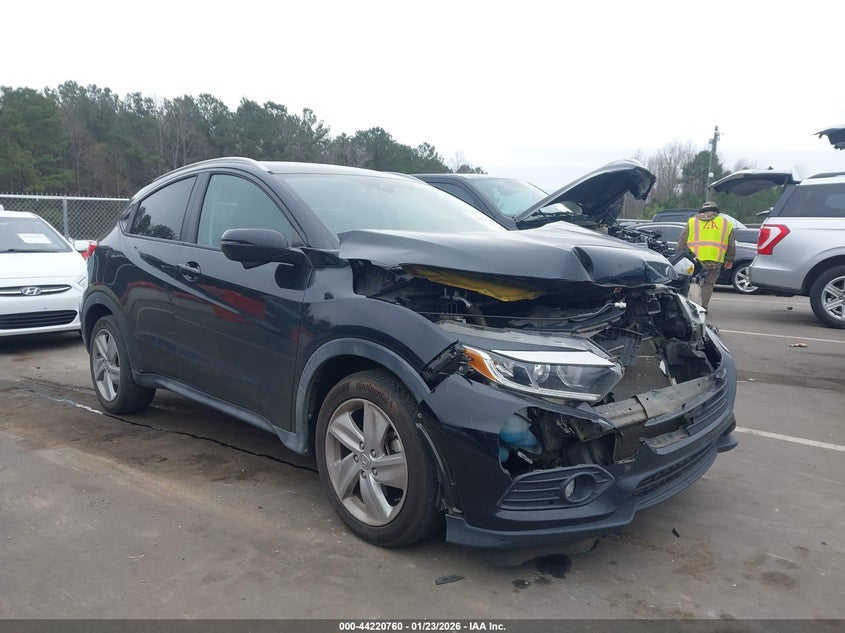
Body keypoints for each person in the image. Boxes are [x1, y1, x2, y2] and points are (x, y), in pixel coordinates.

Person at [676, 201, 735, 310]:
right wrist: (729, 260)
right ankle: (703, 307)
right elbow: (731, 245)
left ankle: (692, 307)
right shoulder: (726, 223)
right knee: (708, 284)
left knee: (693, 282)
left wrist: (679, 255)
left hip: (694, 259)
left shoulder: (692, 221)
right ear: (716, 211)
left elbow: (682, 240)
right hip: (715, 260)